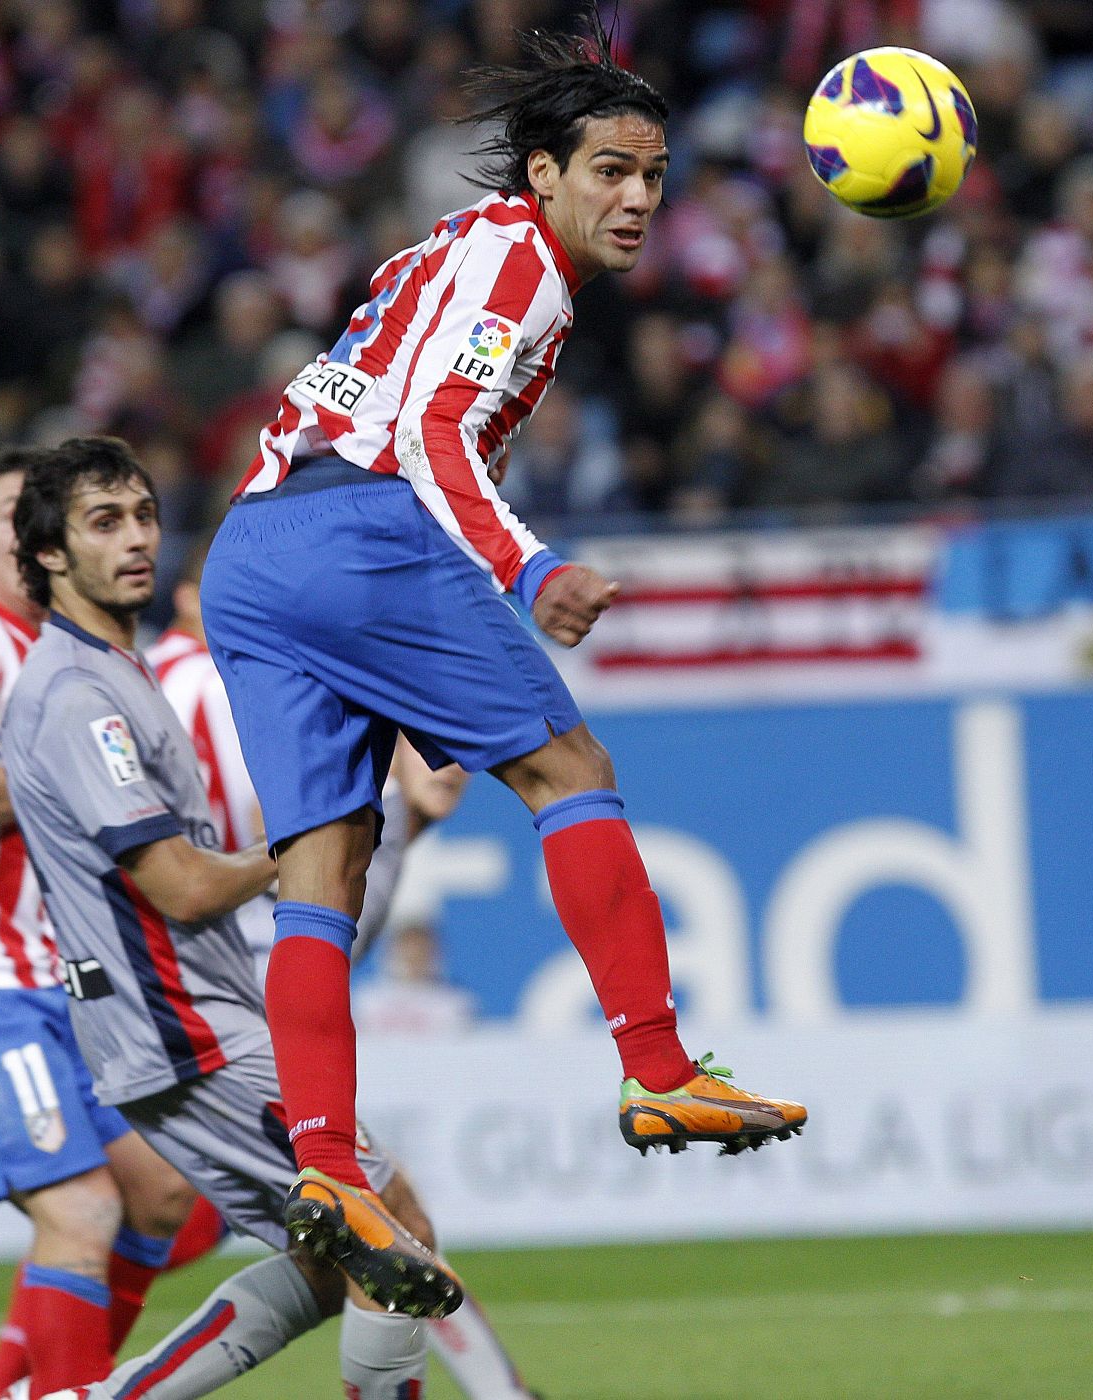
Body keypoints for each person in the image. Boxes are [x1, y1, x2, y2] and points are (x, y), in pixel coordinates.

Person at [200, 5, 807, 1318]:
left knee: (329, 867)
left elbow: (403, 403)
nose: (639, 197)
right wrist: (532, 569)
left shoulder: (458, 248)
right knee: (568, 765)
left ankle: (325, 1166)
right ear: (543, 175)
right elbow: (431, 431)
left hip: (253, 551)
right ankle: (656, 1064)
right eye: (612, 171)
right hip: (362, 529)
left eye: (653, 175)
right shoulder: (524, 268)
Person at [4, 435, 464, 1400]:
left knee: (343, 1258)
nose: (135, 539)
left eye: (141, 516)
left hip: (197, 1019)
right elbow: (177, 886)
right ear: (50, 554)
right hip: (182, 1030)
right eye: (102, 523)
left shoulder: (115, 672)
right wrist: (311, 841)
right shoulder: (78, 698)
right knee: (391, 1233)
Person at [147, 542, 540, 1400]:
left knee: (366, 1243)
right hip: (230, 1013)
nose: (454, 770)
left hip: (233, 1013)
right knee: (385, 1234)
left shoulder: (389, 816)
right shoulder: (271, 723)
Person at [0, 448, 203, 1399]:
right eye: (11, 516)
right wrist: (105, 796)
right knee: (80, 1207)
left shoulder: (71, 655)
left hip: (56, 978)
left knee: (164, 1192)